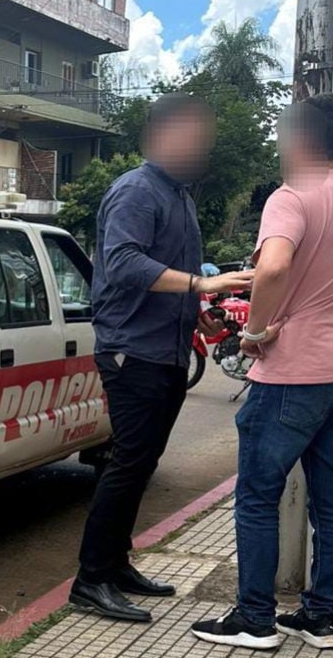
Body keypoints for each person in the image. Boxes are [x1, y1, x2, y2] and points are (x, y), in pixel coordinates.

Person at [69, 93, 255, 622]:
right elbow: (125, 263)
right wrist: (202, 281)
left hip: (167, 348)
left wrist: (197, 311)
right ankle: (91, 578)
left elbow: (164, 276)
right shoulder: (136, 191)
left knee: (143, 463)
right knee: (127, 463)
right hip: (133, 348)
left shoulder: (180, 196)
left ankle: (116, 563)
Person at [192, 96, 333, 650]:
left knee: (256, 496)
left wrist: (257, 330)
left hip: (290, 372)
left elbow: (274, 266)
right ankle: (322, 618)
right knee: (330, 503)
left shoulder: (292, 196)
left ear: (300, 141)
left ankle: (255, 618)